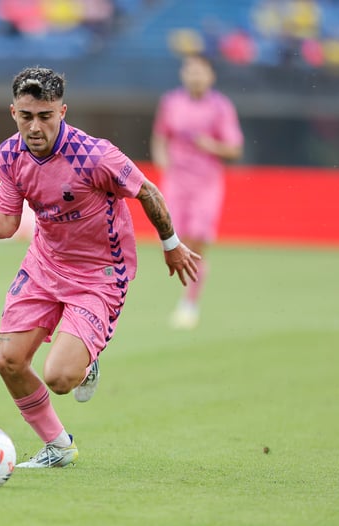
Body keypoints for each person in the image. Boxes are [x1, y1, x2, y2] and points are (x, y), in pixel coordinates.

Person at [0, 67, 200, 468]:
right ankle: (58, 447)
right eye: (26, 116)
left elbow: (148, 192)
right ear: (13, 112)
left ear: (62, 111)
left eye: (45, 116)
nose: (35, 127)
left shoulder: (94, 155)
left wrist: (171, 244)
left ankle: (85, 359)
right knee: (8, 361)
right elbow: (7, 224)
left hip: (99, 274)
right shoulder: (9, 154)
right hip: (44, 264)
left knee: (59, 378)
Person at [150, 53, 244, 329]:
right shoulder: (171, 102)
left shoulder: (220, 107)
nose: (195, 76)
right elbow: (160, 135)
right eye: (190, 71)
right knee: (174, 239)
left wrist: (210, 145)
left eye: (200, 71)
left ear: (211, 76)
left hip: (206, 182)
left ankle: (189, 303)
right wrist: (162, 159)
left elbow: (235, 148)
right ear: (183, 74)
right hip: (176, 180)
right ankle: (185, 294)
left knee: (198, 240)